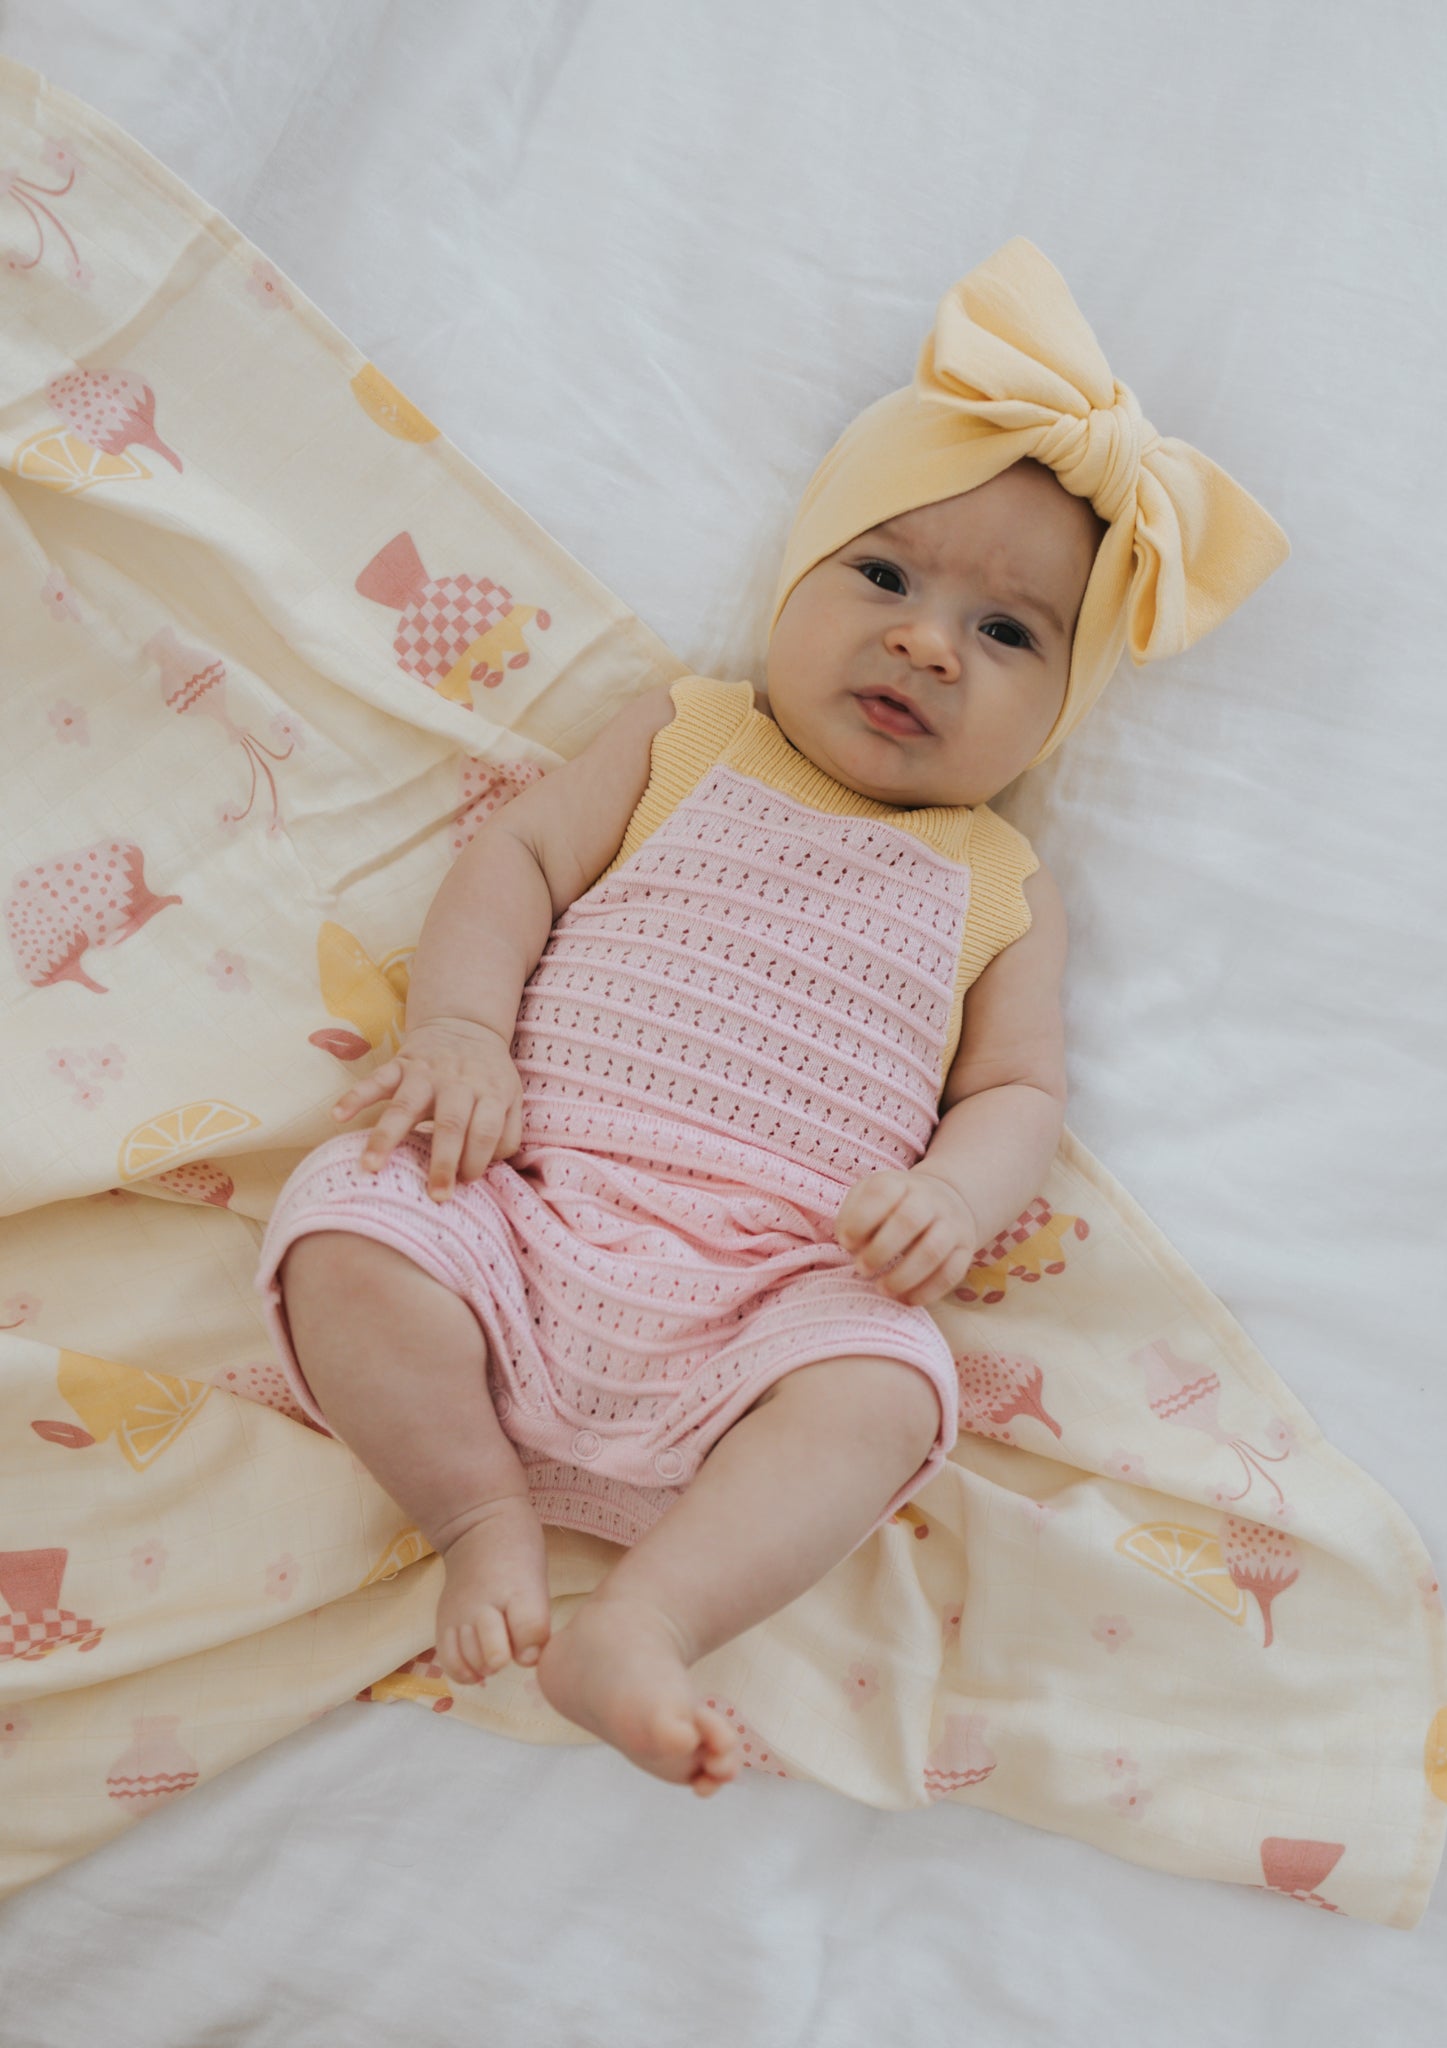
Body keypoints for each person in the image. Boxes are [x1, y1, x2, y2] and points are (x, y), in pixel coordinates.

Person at [254, 239, 1288, 1798]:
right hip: (526, 1209)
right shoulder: (687, 733)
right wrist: (462, 1030)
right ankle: (480, 1517)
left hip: (772, 1298)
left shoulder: (1000, 876)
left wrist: (954, 1191)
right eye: (883, 577)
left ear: (1061, 711)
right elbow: (519, 858)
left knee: (888, 1388)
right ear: (793, 582)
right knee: (348, 1228)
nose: (930, 641)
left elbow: (1017, 1090)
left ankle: (645, 1625)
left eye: (1010, 636)